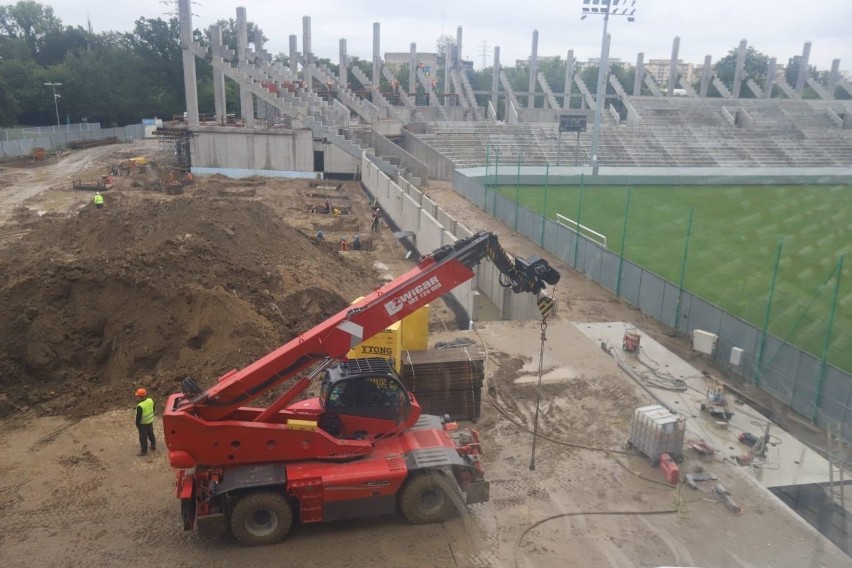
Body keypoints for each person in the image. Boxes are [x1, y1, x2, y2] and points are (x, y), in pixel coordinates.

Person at [134, 388, 156, 456]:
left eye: (137, 396)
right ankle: (153, 446)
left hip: (143, 424)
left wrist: (137, 425)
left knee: (143, 438)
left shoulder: (140, 406)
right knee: (151, 434)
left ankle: (144, 451)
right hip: (150, 422)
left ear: (140, 397)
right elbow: (154, 409)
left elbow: (138, 418)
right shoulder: (150, 400)